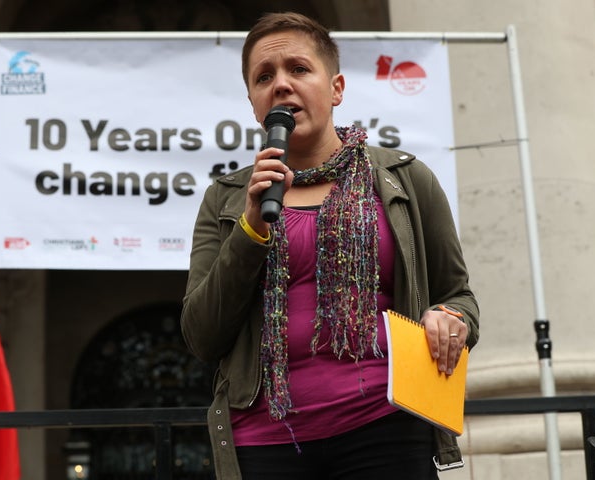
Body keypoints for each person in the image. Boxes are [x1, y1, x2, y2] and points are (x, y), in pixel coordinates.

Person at [181, 11, 479, 480]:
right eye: (264, 77)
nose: (281, 85)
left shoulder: (404, 178)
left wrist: (452, 319)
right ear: (254, 103)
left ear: (336, 88)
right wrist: (252, 228)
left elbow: (458, 296)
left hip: (385, 426)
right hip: (265, 440)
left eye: (298, 69)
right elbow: (202, 335)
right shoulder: (228, 198)